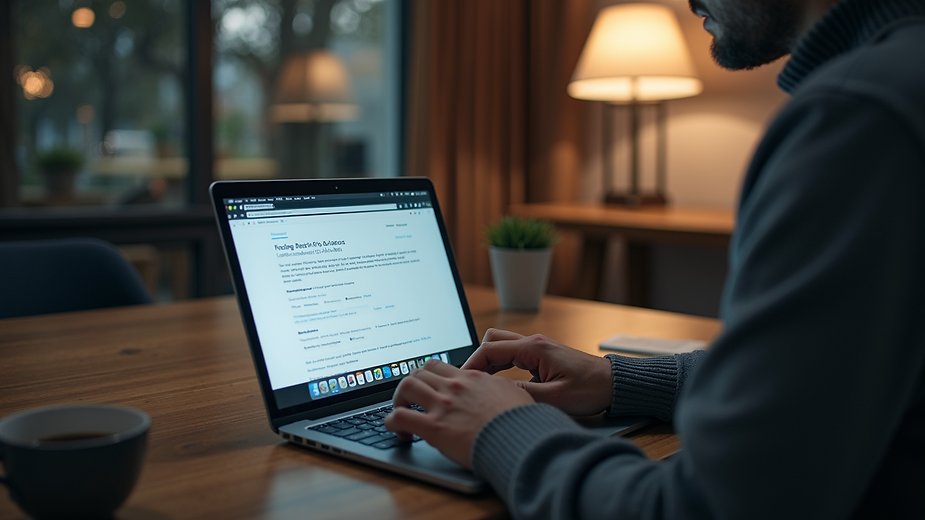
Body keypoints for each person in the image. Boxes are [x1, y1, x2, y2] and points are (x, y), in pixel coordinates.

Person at [385, 0, 925, 517]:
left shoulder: (859, 116)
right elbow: (827, 375)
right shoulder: (899, 80)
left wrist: (499, 426)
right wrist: (617, 379)